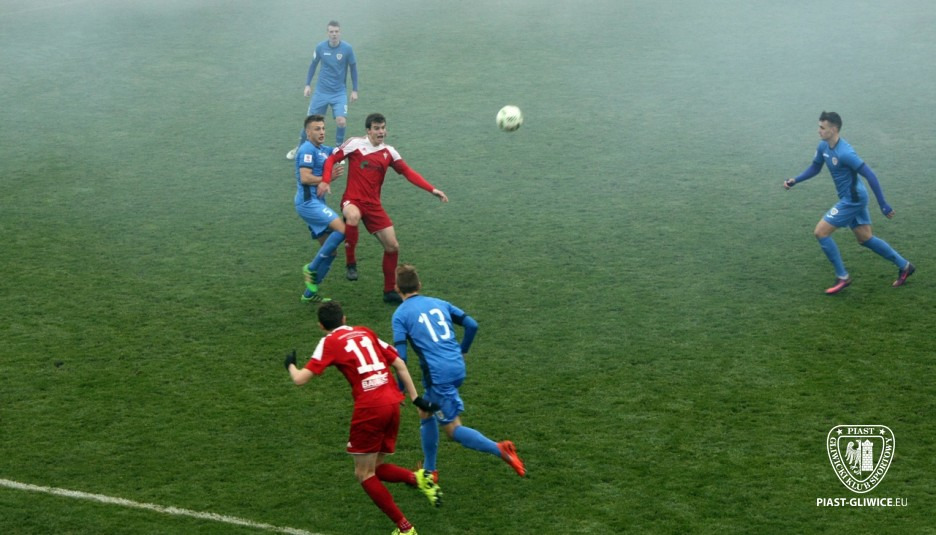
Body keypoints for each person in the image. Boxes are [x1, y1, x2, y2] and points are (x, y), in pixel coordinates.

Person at [284, 301, 443, 535]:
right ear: (344, 318)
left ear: (321, 326)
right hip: (392, 403)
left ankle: (405, 528)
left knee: (363, 474)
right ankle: (418, 479)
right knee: (375, 467)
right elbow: (399, 363)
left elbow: (300, 379)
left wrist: (290, 365)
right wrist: (415, 398)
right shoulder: (365, 331)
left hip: (371, 409)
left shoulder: (329, 341)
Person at [391, 264, 525, 481]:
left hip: (438, 375)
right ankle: (430, 471)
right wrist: (463, 351)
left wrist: (399, 389)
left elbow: (401, 357)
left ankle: (499, 449)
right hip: (456, 366)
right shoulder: (439, 303)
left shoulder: (400, 315)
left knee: (453, 429)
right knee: (425, 412)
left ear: (397, 288)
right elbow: (471, 325)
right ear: (419, 285)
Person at [317, 114, 449, 304]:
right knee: (352, 216)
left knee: (392, 246)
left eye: (383, 128)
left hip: (374, 205)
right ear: (368, 130)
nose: (381, 132)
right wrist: (325, 180)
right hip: (352, 200)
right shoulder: (355, 144)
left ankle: (389, 291)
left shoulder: (389, 152)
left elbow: (407, 172)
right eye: (377, 128)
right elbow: (331, 159)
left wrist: (432, 189)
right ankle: (351, 263)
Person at [783, 111, 915, 294]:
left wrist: (883, 204)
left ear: (833, 129)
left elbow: (870, 174)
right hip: (852, 197)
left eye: (822, 127)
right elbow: (815, 167)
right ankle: (905, 266)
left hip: (853, 200)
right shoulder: (823, 146)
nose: (818, 130)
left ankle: (842, 277)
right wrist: (795, 180)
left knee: (820, 232)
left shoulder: (845, 152)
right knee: (865, 238)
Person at [287, 20, 358, 160]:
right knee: (310, 121)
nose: (334, 34)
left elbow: (353, 68)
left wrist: (355, 90)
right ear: (327, 33)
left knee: (341, 121)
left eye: (336, 31)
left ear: (340, 32)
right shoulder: (320, 47)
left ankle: (338, 152)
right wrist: (307, 85)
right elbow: (313, 65)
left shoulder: (347, 49)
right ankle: (299, 148)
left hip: (338, 92)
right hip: (321, 92)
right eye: (331, 32)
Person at [294, 114, 346, 303]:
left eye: (323, 128)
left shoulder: (323, 149)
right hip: (308, 203)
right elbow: (305, 177)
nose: (322, 132)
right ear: (308, 132)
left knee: (330, 252)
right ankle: (311, 268)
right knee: (343, 229)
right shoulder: (307, 149)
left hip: (318, 203)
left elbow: (342, 151)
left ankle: (308, 295)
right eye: (317, 129)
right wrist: (328, 178)